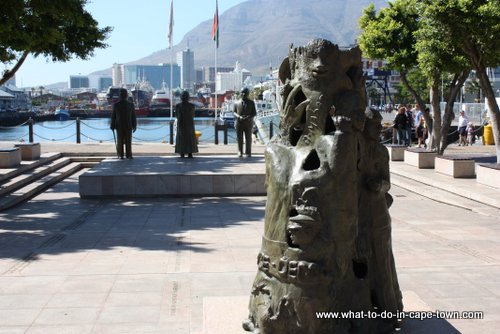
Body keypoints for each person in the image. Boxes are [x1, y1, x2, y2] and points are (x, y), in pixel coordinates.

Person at [110, 88, 136, 159]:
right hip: (120, 126)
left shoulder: (131, 105)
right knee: (120, 141)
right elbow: (113, 116)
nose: (123, 95)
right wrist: (112, 125)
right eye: (122, 94)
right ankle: (121, 154)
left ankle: (128, 154)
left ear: (126, 95)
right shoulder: (116, 105)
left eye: (124, 94)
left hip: (128, 125)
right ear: (120, 95)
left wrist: (135, 125)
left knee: (128, 141)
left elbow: (133, 116)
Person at [233, 87, 257, 157]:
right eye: (241, 92)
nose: (242, 94)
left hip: (248, 123)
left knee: (248, 138)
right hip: (239, 122)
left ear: (247, 94)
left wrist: (248, 117)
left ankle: (248, 152)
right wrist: (238, 116)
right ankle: (240, 151)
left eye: (244, 92)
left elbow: (254, 113)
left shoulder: (251, 103)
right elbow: (234, 112)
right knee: (239, 138)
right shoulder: (236, 102)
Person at [175, 91, 198, 158]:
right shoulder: (191, 106)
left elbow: (177, 116)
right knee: (189, 138)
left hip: (181, 124)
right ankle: (190, 152)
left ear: (181, 98)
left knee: (182, 138)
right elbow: (193, 115)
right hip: (189, 124)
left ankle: (182, 152)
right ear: (188, 97)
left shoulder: (178, 106)